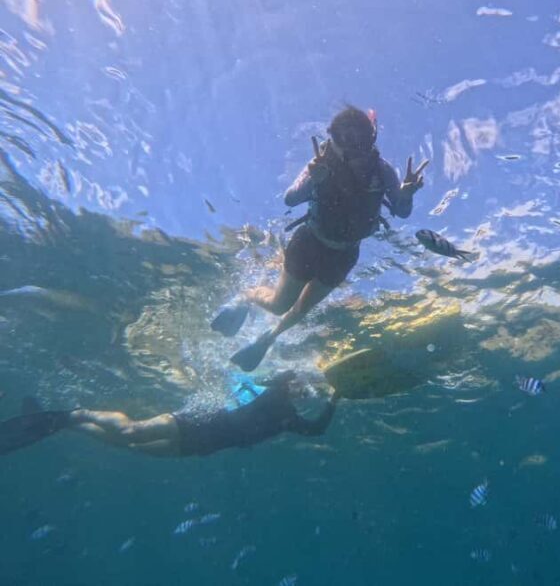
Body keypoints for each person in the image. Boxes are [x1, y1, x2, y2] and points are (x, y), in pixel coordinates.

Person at [213, 105, 428, 372]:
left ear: (370, 138)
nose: (352, 148)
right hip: (309, 244)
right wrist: (314, 179)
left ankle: (268, 338)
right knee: (280, 305)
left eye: (359, 139)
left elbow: (402, 212)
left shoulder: (383, 171)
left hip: (344, 255)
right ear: (332, 139)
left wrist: (406, 195)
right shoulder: (320, 163)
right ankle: (246, 296)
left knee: (301, 310)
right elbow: (290, 199)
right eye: (343, 138)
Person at [0, 372, 337, 458]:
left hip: (205, 445)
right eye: (300, 386)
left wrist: (336, 397)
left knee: (131, 446)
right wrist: (301, 374)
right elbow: (279, 377)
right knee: (132, 432)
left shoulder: (289, 417)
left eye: (305, 391)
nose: (302, 392)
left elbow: (317, 430)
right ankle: (78, 413)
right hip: (198, 420)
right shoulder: (273, 391)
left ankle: (67, 424)